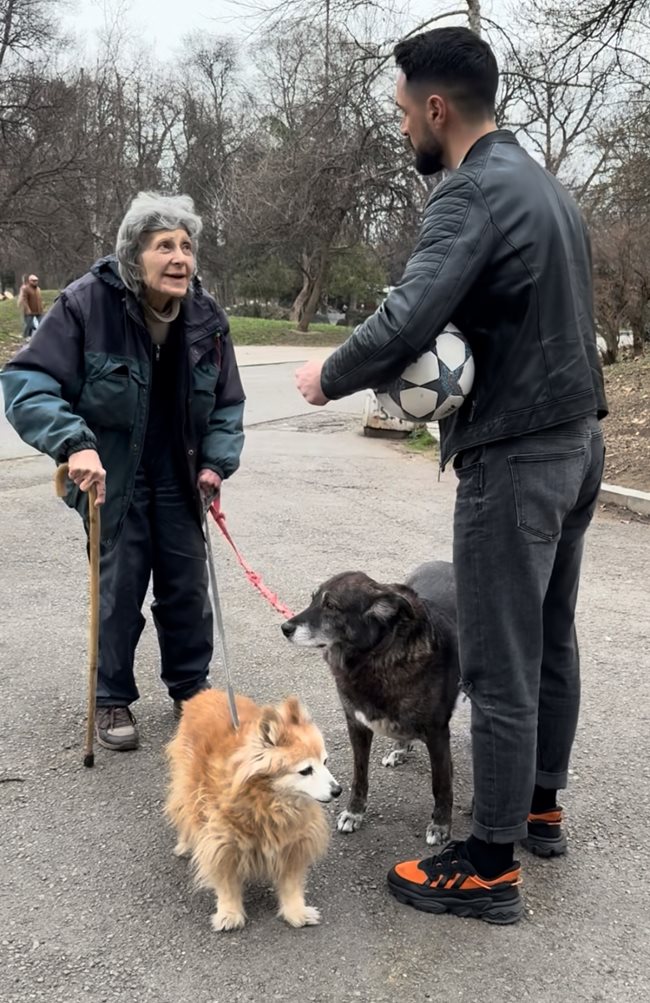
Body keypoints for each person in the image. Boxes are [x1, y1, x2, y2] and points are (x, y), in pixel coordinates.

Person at [295, 27, 607, 924]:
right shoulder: (545, 185)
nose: (401, 130)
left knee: (501, 666)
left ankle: (489, 862)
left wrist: (330, 374)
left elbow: (407, 315)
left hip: (515, 457)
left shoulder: (468, 192)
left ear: (438, 109)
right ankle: (540, 806)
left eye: (402, 113)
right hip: (577, 444)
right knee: (550, 641)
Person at [1, 192, 245, 752]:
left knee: (186, 590)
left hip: (179, 476)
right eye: (165, 246)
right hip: (113, 477)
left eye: (187, 246)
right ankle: (111, 694)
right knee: (119, 589)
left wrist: (215, 463)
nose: (181, 258)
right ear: (134, 256)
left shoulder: (207, 318)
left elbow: (228, 404)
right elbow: (25, 383)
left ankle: (191, 690)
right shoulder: (88, 305)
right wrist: (73, 444)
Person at [17, 273, 43, 340]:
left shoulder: (38, 289)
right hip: (29, 310)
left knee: (42, 323)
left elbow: (39, 299)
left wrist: (41, 307)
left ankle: (39, 336)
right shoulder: (26, 289)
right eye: (33, 281)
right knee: (29, 325)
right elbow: (24, 300)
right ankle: (26, 336)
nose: (35, 282)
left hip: (38, 310)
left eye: (36, 280)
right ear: (30, 281)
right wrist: (27, 309)